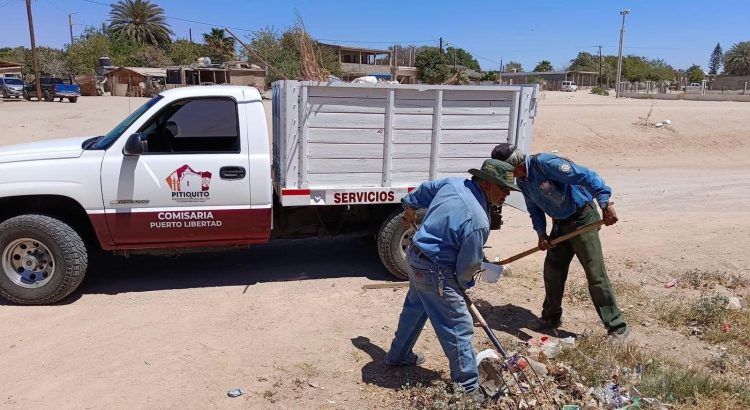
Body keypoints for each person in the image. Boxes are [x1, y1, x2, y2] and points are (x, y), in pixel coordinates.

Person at [384, 159, 519, 395]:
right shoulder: (478, 221)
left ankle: (399, 355)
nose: (507, 194)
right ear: (486, 184)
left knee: (415, 308)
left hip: (415, 257)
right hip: (436, 269)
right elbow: (467, 267)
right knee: (458, 325)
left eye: (509, 189)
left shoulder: (454, 184)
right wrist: (463, 285)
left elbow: (425, 190)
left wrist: (409, 206)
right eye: (503, 187)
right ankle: (467, 388)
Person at [490, 143, 629, 339]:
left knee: (595, 274)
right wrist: (541, 234)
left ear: (513, 164)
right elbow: (534, 209)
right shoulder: (522, 181)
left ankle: (617, 327)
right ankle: (551, 318)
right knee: (552, 271)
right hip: (560, 224)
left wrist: (604, 203)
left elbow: (587, 175)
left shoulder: (545, 164)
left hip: (582, 219)